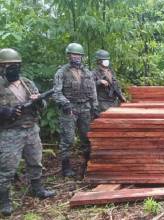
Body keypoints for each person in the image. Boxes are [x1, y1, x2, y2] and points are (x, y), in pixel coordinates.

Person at [0, 48, 56, 216]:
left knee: (35, 161)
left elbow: (43, 106)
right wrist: (5, 112)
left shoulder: (27, 83)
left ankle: (37, 189)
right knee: (7, 168)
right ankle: (4, 200)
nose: (13, 68)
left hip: (31, 129)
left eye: (16, 65)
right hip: (10, 133)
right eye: (9, 65)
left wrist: (38, 101)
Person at [53, 43, 99, 177]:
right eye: (74, 55)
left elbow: (93, 91)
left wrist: (95, 108)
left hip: (85, 108)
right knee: (68, 138)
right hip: (69, 108)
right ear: (68, 56)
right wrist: (65, 103)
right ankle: (66, 167)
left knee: (87, 136)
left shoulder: (87, 72)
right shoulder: (61, 72)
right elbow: (56, 92)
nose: (76, 57)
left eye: (79, 55)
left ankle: (87, 164)